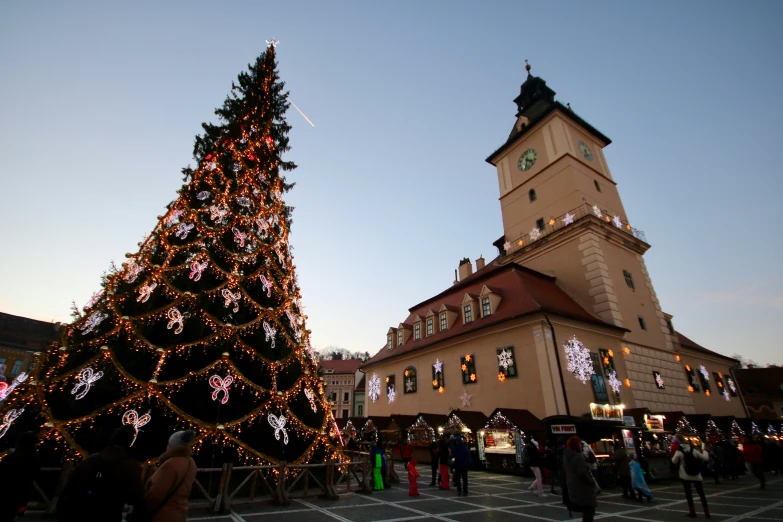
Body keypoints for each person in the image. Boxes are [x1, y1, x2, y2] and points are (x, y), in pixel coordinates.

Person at [57, 426, 145, 522]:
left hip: (79, 513)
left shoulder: (90, 460)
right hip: (108, 515)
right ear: (130, 441)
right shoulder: (129, 465)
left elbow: (70, 487)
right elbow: (134, 497)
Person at [143, 430, 198, 522]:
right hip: (180, 512)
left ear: (172, 446)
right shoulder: (191, 463)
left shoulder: (170, 465)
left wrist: (144, 506)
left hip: (164, 515)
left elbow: (156, 493)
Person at [0, 432, 39, 522]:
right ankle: (20, 512)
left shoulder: (11, 458)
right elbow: (36, 472)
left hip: (8, 490)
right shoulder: (33, 457)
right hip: (24, 489)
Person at [672, 435, 710, 519]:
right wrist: (704, 451)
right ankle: (706, 512)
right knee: (701, 494)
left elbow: (674, 461)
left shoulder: (679, 451)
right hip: (696, 474)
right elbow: (705, 458)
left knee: (688, 494)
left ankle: (692, 511)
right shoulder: (694, 450)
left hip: (685, 474)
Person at [563, 436, 597, 522]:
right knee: (589, 510)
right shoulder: (578, 456)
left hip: (573, 487)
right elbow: (583, 473)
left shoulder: (567, 457)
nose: (581, 446)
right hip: (582, 488)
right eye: (580, 444)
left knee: (586, 511)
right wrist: (591, 482)